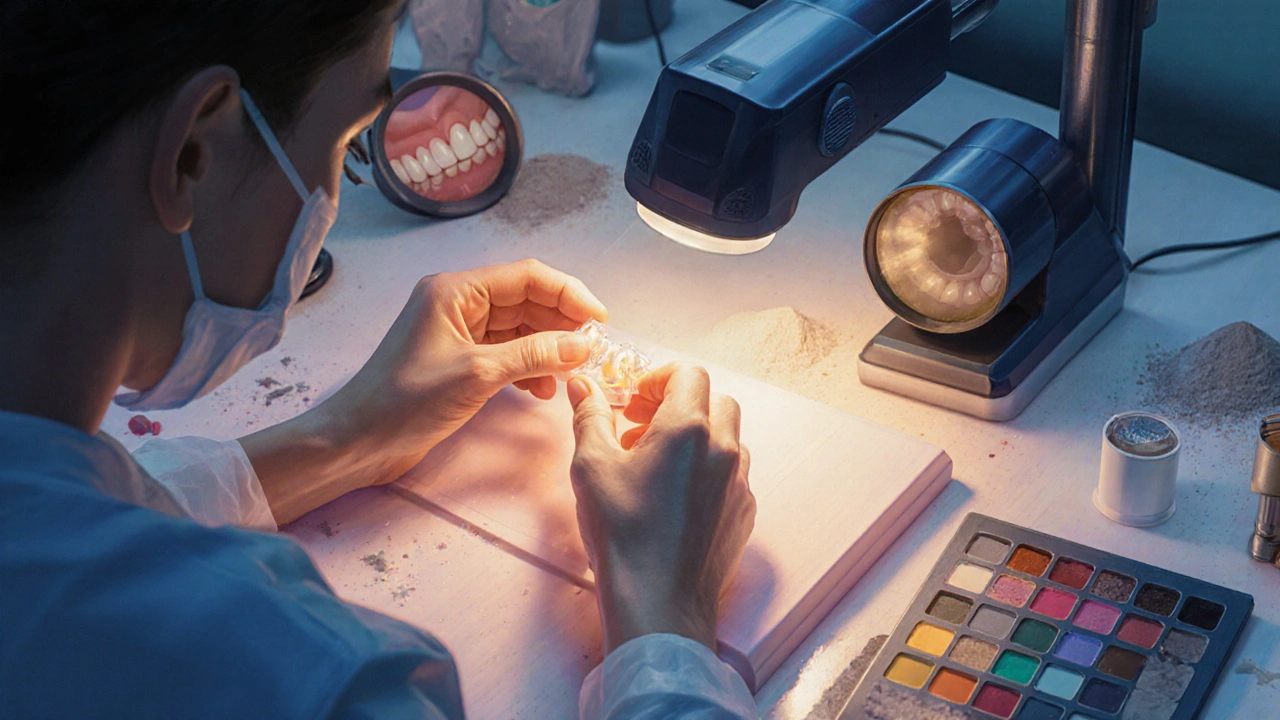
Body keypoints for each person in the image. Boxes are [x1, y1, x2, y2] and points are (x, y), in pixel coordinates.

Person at [0, 2, 759, 718]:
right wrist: (667, 627)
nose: (330, 194)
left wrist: (347, 433)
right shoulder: (298, 677)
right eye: (342, 144)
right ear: (195, 150)